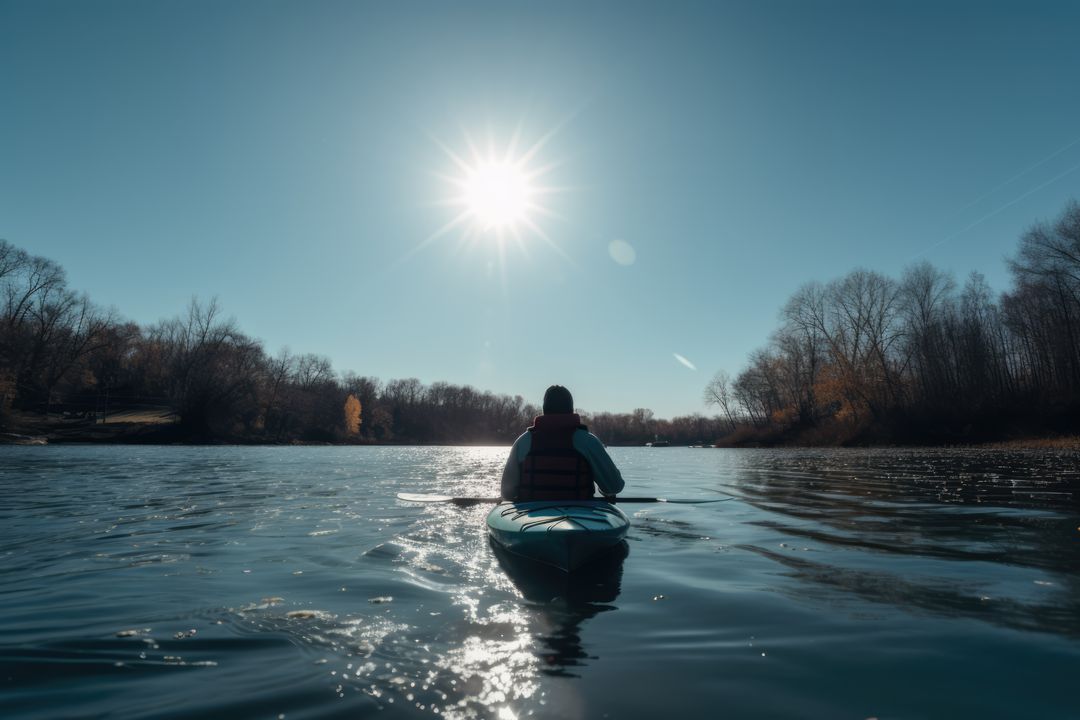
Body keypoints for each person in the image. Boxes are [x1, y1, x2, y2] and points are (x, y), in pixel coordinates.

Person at [501, 385, 625, 501]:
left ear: (544, 410)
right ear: (571, 409)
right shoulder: (587, 441)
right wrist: (605, 492)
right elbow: (614, 486)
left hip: (530, 520)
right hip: (581, 517)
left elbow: (507, 493)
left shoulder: (523, 441)